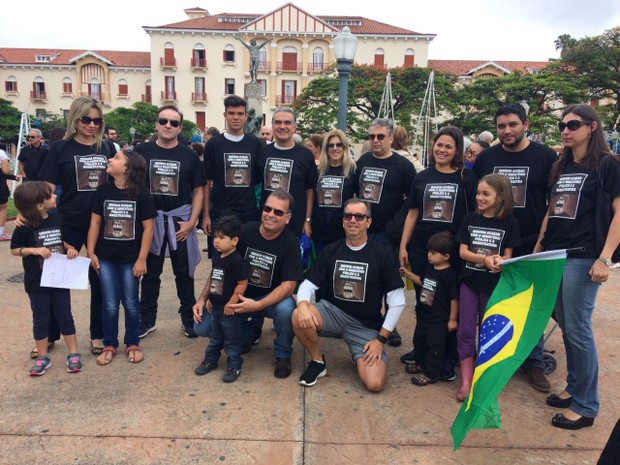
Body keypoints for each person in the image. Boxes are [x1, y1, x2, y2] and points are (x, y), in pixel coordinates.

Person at [534, 104, 620, 430]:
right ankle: (574, 387)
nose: (565, 130)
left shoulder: (608, 165)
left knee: (579, 330)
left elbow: (619, 212)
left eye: (573, 124)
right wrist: (539, 248)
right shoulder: (562, 166)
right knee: (568, 327)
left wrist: (605, 257)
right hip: (554, 255)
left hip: (583, 257)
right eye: (562, 125)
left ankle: (586, 406)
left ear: (592, 127)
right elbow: (551, 212)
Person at [473, 102, 558, 392]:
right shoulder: (486, 158)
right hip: (490, 246)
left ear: (526, 124)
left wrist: (541, 243)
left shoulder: (545, 157)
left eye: (512, 124)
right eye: (501, 126)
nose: (507, 130)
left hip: (529, 244)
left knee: (531, 306)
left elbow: (552, 204)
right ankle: (494, 358)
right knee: (492, 303)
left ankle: (533, 362)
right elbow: (478, 200)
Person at [292, 199, 405, 392]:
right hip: (332, 313)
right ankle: (318, 361)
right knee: (297, 315)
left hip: (364, 325)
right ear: (343, 221)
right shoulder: (331, 250)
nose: (353, 220)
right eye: (348, 216)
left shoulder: (382, 254)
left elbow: (397, 301)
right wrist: (302, 305)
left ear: (368, 222)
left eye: (359, 216)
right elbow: (308, 284)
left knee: (374, 384)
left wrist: (380, 340)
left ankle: (359, 354)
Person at [38, 96, 115, 355]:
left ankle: (98, 335)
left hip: (102, 224)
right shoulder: (60, 149)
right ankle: (50, 333)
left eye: (97, 120)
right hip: (68, 221)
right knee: (56, 280)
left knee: (100, 281)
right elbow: (47, 186)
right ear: (75, 119)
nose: (92, 125)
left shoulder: (107, 149)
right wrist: (35, 213)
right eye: (86, 119)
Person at [399, 126, 477, 370]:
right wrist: (403, 246)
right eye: (439, 145)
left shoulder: (465, 177)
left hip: (452, 252)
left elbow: (474, 214)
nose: (442, 150)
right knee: (424, 301)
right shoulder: (422, 177)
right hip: (422, 249)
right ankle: (421, 348)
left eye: (448, 146)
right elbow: (412, 213)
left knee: (449, 302)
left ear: (457, 151)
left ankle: (448, 355)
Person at [138, 105, 204, 339]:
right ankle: (147, 319)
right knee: (151, 273)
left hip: (180, 220)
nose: (168, 126)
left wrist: (192, 222)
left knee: (184, 273)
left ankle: (188, 318)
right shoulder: (141, 151)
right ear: (156, 124)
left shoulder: (189, 155)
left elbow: (198, 191)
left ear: (179, 128)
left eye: (173, 123)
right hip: (151, 222)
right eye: (163, 121)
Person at [86, 146, 156, 365]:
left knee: (131, 302)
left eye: (116, 158)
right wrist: (90, 252)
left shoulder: (142, 195)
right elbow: (95, 223)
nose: (110, 159)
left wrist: (142, 258)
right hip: (105, 257)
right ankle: (109, 344)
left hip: (130, 260)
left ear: (128, 168)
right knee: (108, 303)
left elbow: (149, 228)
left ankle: (132, 342)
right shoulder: (102, 191)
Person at [455, 174, 521, 401]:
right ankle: (465, 380)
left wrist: (498, 261)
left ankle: (482, 379)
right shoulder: (470, 219)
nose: (479, 198)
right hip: (469, 282)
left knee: (488, 332)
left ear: (500, 196)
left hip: (494, 286)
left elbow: (508, 256)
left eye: (486, 194)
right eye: (478, 193)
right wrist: (483, 259)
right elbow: (462, 252)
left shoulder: (510, 223)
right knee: (465, 330)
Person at [228, 190, 303, 378]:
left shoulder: (291, 243)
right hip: (242, 294)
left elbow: (288, 286)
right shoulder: (245, 232)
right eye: (267, 208)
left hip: (271, 300)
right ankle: (251, 329)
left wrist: (259, 305)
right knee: (204, 327)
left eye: (278, 212)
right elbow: (224, 264)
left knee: (288, 308)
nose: (270, 214)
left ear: (287, 218)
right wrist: (209, 297)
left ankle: (283, 354)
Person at [10, 182, 82, 375]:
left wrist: (70, 248)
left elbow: (60, 240)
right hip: (36, 281)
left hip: (58, 278)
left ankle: (73, 353)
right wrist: (33, 250)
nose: (55, 197)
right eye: (50, 196)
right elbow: (15, 250)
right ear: (39, 205)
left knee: (65, 315)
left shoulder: (57, 218)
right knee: (40, 319)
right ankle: (43, 357)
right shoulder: (24, 225)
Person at [357, 118, 416, 347]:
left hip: (387, 234)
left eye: (380, 136)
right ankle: (368, 320)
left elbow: (412, 201)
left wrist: (396, 225)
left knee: (389, 282)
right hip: (363, 232)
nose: (375, 141)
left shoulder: (403, 166)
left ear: (391, 138)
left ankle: (389, 327)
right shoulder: (362, 162)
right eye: (372, 137)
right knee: (366, 278)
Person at [203, 95, 262, 258]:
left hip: (248, 213)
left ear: (246, 116)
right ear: (225, 115)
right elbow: (206, 181)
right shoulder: (214, 144)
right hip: (221, 213)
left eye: (240, 113)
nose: (236, 117)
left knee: (247, 261)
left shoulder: (255, 143)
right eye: (231, 113)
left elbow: (259, 179)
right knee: (220, 264)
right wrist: (206, 215)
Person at [193, 216, 249, 383]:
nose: (216, 241)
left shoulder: (237, 261)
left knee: (232, 340)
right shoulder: (218, 256)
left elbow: (242, 283)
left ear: (234, 240)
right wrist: (210, 297)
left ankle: (234, 365)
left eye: (221, 238)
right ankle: (211, 360)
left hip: (230, 310)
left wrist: (232, 303)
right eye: (215, 237)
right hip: (215, 307)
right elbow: (215, 278)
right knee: (215, 337)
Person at [399, 231, 459, 386]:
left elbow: (454, 299)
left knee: (435, 347)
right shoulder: (430, 268)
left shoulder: (449, 275)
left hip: (439, 319)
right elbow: (422, 282)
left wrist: (452, 319)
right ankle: (420, 363)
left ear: (446, 256)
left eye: (433, 253)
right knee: (419, 340)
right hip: (424, 314)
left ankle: (431, 374)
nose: (429, 255)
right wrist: (408, 274)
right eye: (428, 251)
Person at [257, 107, 317, 238]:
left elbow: (309, 190)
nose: (282, 126)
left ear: (294, 127)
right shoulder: (263, 152)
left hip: (295, 225)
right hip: (267, 223)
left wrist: (307, 220)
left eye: (287, 123)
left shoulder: (306, 155)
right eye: (278, 122)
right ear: (272, 126)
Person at [311, 129, 358, 257]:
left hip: (342, 232)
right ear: (326, 148)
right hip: (319, 231)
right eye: (331, 145)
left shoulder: (353, 172)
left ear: (345, 147)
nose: (335, 148)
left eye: (339, 145)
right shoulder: (318, 171)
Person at [0, 147, 19, 240]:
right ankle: (0, 232)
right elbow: (5, 171)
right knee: (3, 207)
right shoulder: (1, 153)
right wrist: (13, 177)